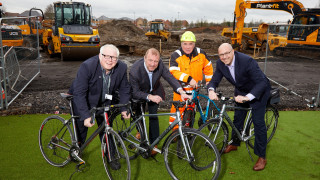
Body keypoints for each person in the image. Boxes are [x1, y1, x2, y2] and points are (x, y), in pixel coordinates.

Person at [207, 43, 271, 171]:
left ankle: (262, 157)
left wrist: (248, 97)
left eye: (227, 53)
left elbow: (262, 82)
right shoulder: (220, 63)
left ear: (233, 52)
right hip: (241, 92)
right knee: (237, 118)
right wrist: (211, 90)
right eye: (221, 55)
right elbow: (214, 79)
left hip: (258, 92)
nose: (224, 57)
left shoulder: (247, 61)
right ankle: (235, 143)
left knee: (258, 123)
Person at [69, 44, 131, 169]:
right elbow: (79, 93)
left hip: (104, 102)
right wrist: (86, 115)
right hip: (84, 101)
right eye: (106, 56)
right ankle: (75, 151)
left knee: (107, 129)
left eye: (114, 57)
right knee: (81, 129)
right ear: (99, 56)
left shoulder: (122, 67)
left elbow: (125, 89)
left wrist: (124, 108)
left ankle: (111, 157)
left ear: (117, 59)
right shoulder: (87, 66)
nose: (110, 60)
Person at [129, 48, 190, 156]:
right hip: (140, 93)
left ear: (159, 60)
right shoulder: (134, 70)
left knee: (153, 116)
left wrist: (181, 91)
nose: (153, 64)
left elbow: (170, 77)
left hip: (155, 91)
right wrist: (149, 96)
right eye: (150, 60)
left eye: (155, 61)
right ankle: (140, 132)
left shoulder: (160, 64)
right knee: (139, 115)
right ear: (144, 58)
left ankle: (154, 144)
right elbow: (135, 92)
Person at [169, 31, 213, 128]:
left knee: (191, 112)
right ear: (181, 44)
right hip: (180, 91)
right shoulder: (176, 55)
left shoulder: (201, 54)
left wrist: (209, 82)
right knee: (176, 113)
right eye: (185, 44)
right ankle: (175, 132)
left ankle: (189, 130)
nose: (187, 47)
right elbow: (174, 72)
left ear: (194, 44)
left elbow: (208, 67)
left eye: (190, 44)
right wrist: (189, 79)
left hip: (194, 91)